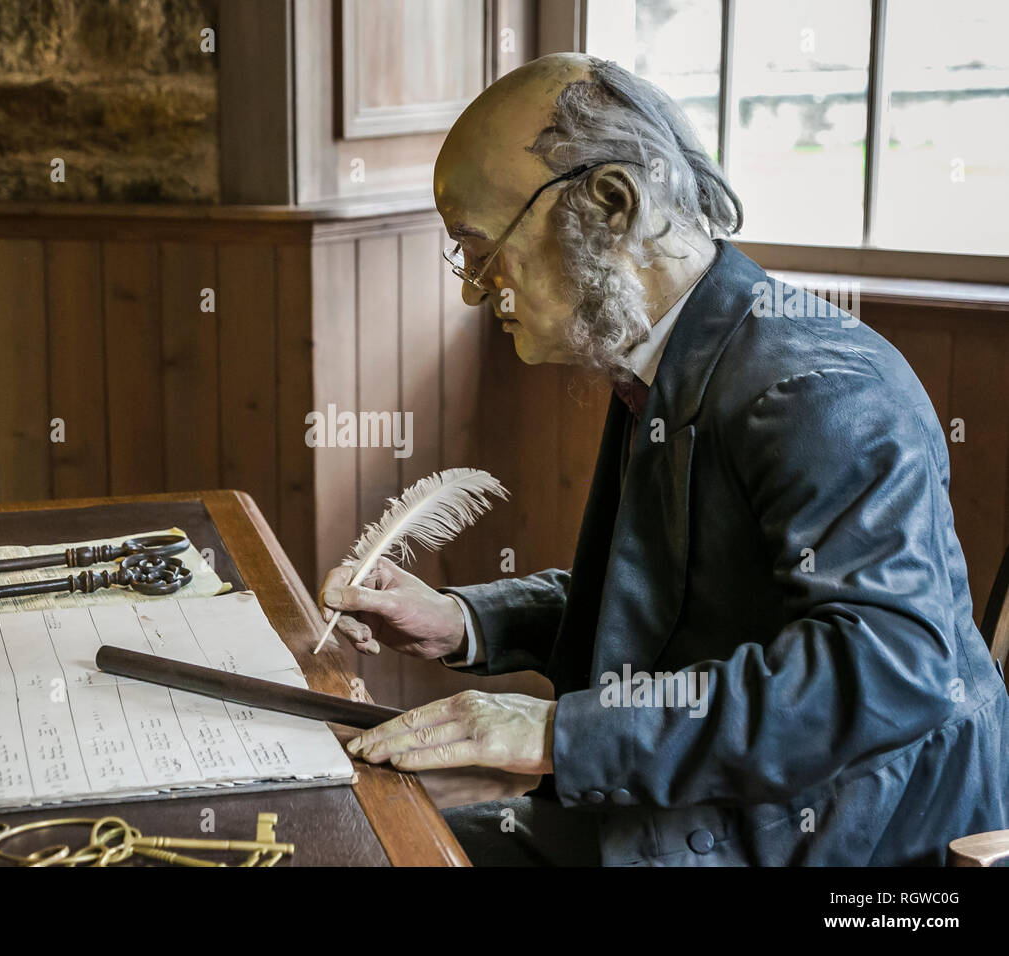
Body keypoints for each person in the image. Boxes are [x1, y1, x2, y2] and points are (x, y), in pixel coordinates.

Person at [318, 53, 1009, 866]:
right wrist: (465, 621)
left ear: (611, 204)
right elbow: (675, 609)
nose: (474, 288)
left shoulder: (817, 389)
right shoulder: (670, 356)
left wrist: (558, 734)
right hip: (699, 806)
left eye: (478, 246)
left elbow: (887, 672)